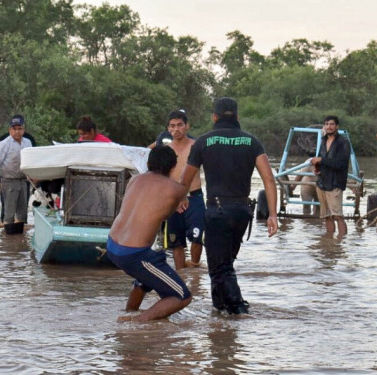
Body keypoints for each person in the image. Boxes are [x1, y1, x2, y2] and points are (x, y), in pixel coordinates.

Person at [179, 97, 279, 315]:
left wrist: (180, 199)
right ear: (237, 117)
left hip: (217, 210)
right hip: (243, 211)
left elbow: (185, 179)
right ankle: (219, 311)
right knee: (224, 263)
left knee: (219, 266)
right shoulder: (252, 142)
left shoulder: (203, 142)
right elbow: (269, 180)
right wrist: (272, 214)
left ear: (214, 117)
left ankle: (238, 308)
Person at [107, 145, 191, 322]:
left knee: (152, 267)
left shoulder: (135, 180)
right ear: (173, 167)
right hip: (134, 254)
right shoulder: (176, 189)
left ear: (148, 162)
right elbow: (165, 215)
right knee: (182, 296)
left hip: (112, 245)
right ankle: (135, 323)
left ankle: (130, 311)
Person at [162, 110, 205, 269]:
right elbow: (161, 176)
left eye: (180, 125)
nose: (176, 129)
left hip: (194, 197)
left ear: (187, 126)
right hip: (173, 200)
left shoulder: (197, 146)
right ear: (168, 129)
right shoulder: (166, 150)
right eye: (172, 126)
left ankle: (194, 269)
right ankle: (180, 273)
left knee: (197, 236)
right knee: (175, 241)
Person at [0, 114, 33, 225]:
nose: (17, 131)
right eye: (14, 129)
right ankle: (7, 238)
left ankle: (20, 240)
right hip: (9, 181)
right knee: (9, 214)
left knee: (22, 214)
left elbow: (31, 163)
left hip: (23, 181)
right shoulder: (4, 144)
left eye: (19, 128)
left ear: (24, 129)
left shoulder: (28, 142)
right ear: (9, 130)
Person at [309, 116, 349, 235]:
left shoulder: (343, 142)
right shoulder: (323, 140)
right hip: (322, 182)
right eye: (326, 124)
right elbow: (323, 160)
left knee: (338, 216)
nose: (329, 127)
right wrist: (317, 168)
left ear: (337, 126)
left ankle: (341, 244)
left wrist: (321, 160)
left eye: (331, 124)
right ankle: (329, 243)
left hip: (335, 183)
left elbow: (341, 164)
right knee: (326, 216)